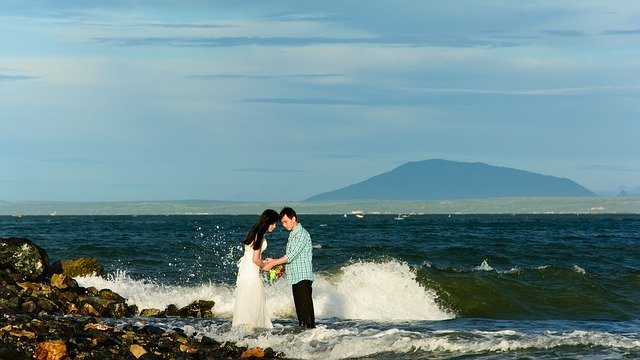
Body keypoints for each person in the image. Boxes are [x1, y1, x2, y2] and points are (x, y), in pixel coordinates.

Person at [264, 207, 315, 328]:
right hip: (296, 278)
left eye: (286, 221)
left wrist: (272, 264)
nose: (284, 225)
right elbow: (291, 256)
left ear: (293, 218)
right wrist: (274, 260)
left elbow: (290, 256)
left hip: (303, 277)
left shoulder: (301, 234)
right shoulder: (293, 234)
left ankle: (312, 336)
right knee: (301, 313)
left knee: (306, 313)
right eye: (282, 223)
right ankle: (306, 337)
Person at [232, 209, 279, 332]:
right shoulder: (259, 236)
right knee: (254, 300)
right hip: (251, 273)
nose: (274, 226)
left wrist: (265, 262)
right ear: (268, 222)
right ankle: (252, 330)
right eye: (273, 224)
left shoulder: (254, 232)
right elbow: (255, 259)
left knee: (246, 301)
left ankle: (243, 329)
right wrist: (266, 266)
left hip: (245, 271)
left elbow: (252, 256)